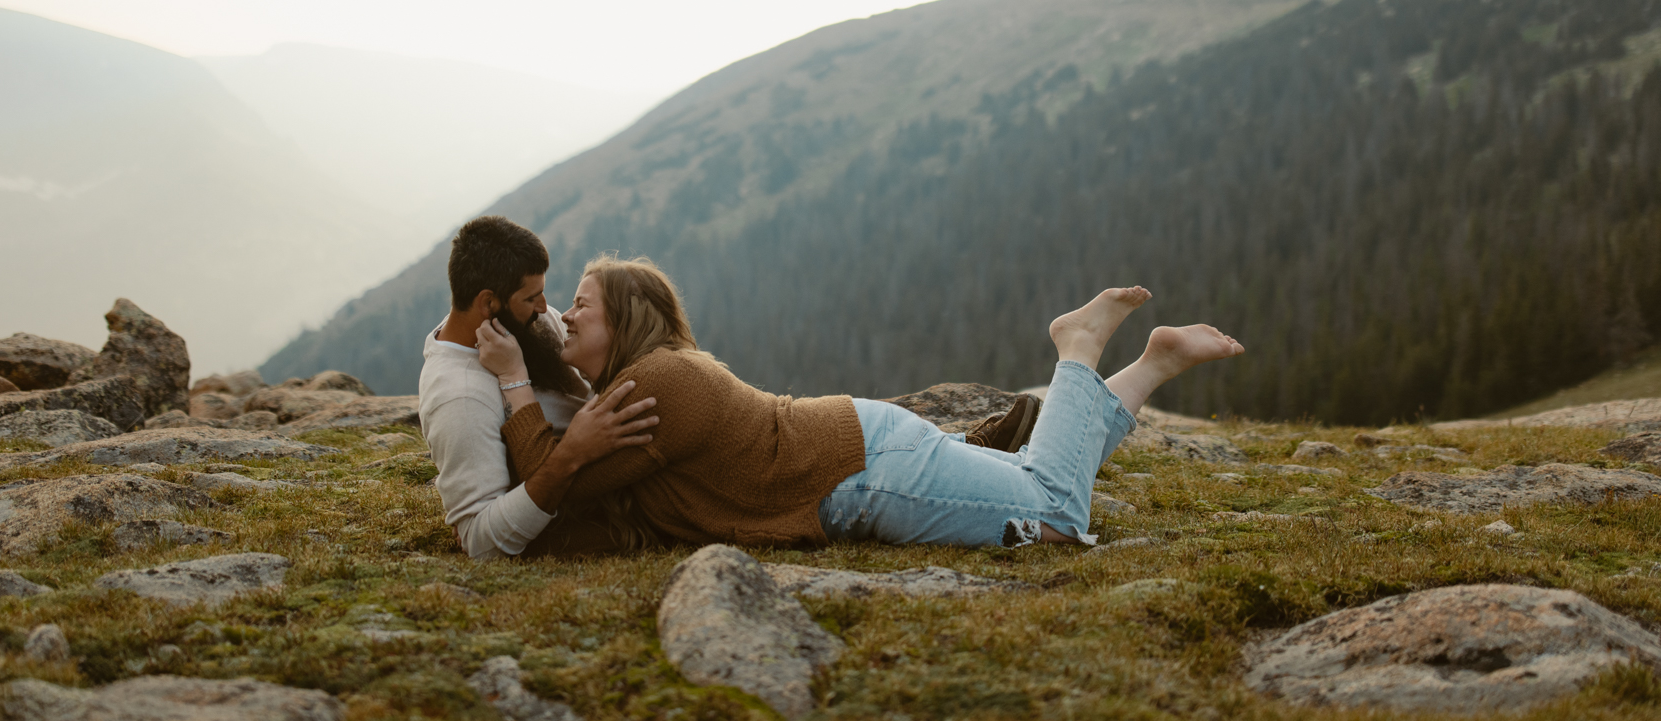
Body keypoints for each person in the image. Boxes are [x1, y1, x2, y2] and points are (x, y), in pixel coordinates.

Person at [479, 255, 1243, 550]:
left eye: (582, 304)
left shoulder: (658, 385)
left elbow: (552, 479)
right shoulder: (651, 380)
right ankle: (1151, 367)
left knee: (1052, 512)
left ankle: (1077, 344)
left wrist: (514, 378)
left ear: (628, 319)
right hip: (866, 450)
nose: (566, 317)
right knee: (1044, 470)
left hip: (867, 472)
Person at [417, 217, 660, 558]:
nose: (548, 309)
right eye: (531, 297)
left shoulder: (526, 323)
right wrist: (572, 454)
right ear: (488, 303)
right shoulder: (459, 395)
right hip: (615, 506)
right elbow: (481, 542)